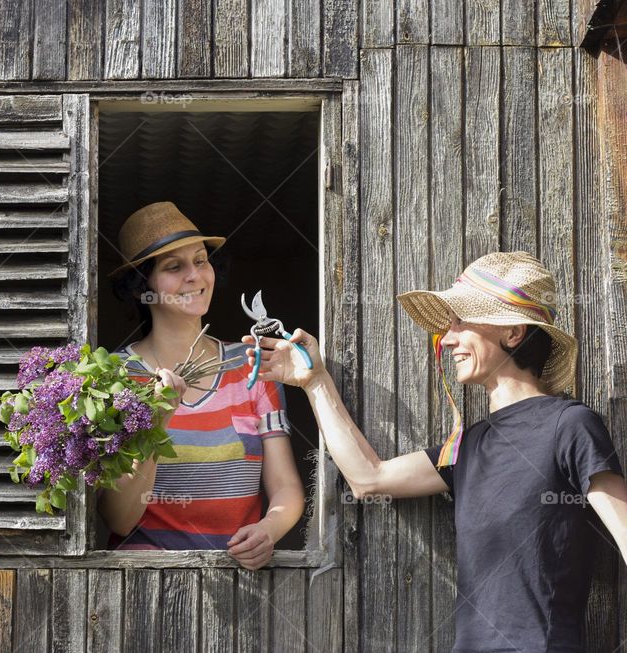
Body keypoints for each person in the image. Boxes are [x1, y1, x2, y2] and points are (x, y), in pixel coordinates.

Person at [245, 251, 627, 651]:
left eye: (461, 321)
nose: (447, 339)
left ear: (512, 332)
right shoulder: (468, 446)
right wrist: (313, 381)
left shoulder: (569, 425)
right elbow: (368, 478)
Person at [97, 201, 305, 569]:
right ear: (139, 286)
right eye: (174, 267)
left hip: (240, 582)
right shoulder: (116, 378)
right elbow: (118, 519)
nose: (194, 276)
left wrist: (269, 529)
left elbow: (286, 486)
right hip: (144, 586)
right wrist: (158, 419)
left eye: (201, 260)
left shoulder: (251, 364)